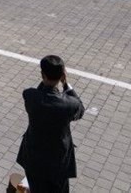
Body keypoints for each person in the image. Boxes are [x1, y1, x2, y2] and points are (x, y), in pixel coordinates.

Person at [16, 55, 85, 193]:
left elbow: (39, 93)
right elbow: (81, 109)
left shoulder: (30, 96)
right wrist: (66, 85)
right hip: (58, 163)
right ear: (62, 75)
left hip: (33, 158)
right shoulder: (69, 104)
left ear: (42, 75)